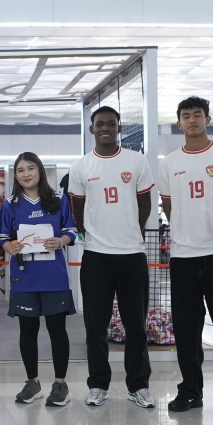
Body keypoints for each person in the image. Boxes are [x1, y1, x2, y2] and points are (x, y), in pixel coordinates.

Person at [158, 96, 213, 418]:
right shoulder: (168, 162)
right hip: (182, 254)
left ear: (208, 119)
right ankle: (190, 390)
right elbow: (169, 208)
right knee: (186, 330)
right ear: (179, 123)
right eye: (186, 115)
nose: (192, 120)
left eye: (198, 114)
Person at [69, 106, 156, 409]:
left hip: (132, 255)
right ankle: (98, 385)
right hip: (96, 257)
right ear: (91, 129)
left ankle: (139, 386)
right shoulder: (81, 166)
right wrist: (88, 233)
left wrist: (133, 231)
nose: (105, 128)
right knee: (95, 326)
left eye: (111, 124)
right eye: (99, 124)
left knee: (136, 326)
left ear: (119, 128)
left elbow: (144, 205)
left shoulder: (136, 161)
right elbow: (77, 209)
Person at [0, 152, 77, 406]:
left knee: (57, 330)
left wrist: (60, 240)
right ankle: (33, 383)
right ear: (16, 176)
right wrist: (9, 247)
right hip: (25, 277)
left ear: (40, 171)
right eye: (20, 170)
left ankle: (60, 385)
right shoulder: (10, 204)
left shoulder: (58, 199)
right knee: (27, 330)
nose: (26, 174)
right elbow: (0, 238)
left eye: (31, 168)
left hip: (54, 277)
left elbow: (71, 230)